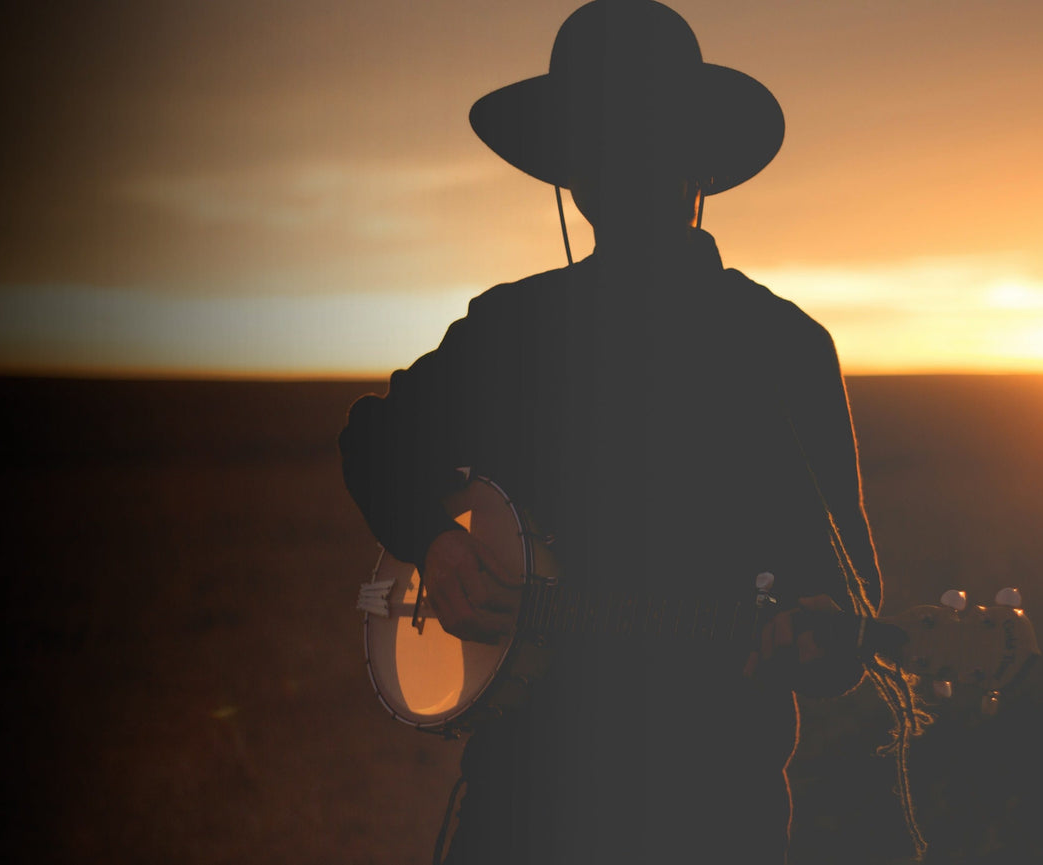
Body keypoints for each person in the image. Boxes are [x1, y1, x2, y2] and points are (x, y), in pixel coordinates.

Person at [340, 2, 924, 862]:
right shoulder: (512, 327)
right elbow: (378, 437)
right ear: (575, 175)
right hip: (525, 810)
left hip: (707, 812)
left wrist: (815, 631)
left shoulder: (780, 348)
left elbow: (845, 611)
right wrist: (436, 540)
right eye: (606, 145)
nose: (625, 168)